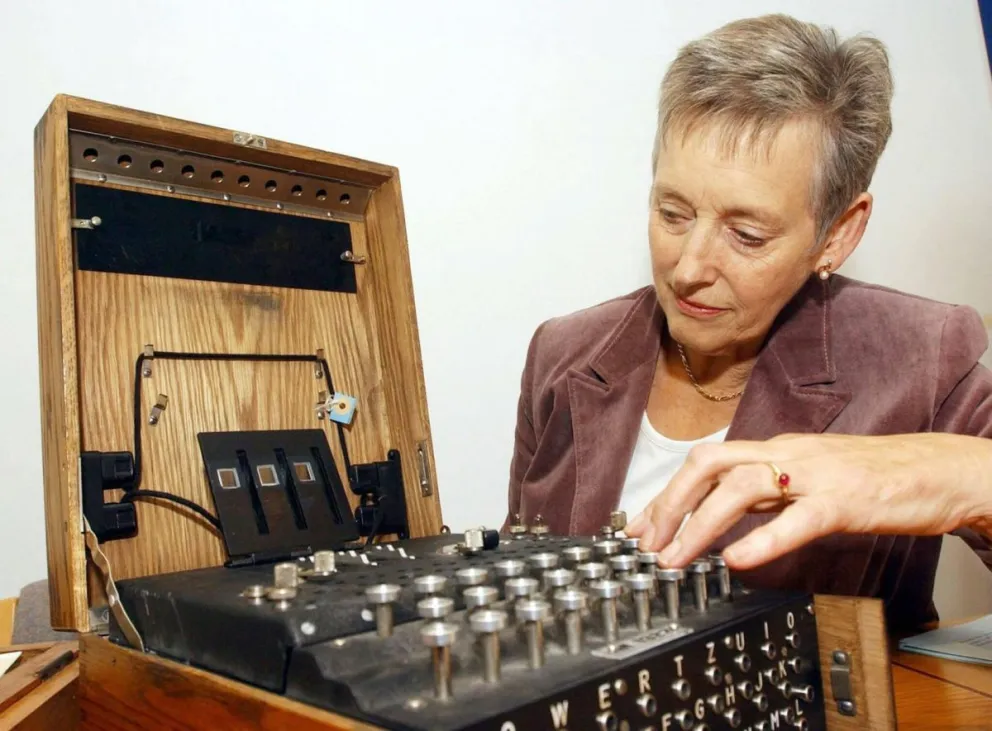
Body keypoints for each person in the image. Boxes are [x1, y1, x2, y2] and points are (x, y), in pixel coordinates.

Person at [503, 13, 992, 630]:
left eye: (747, 234)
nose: (688, 268)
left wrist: (943, 474)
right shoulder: (563, 353)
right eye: (672, 212)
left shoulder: (920, 356)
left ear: (837, 234)